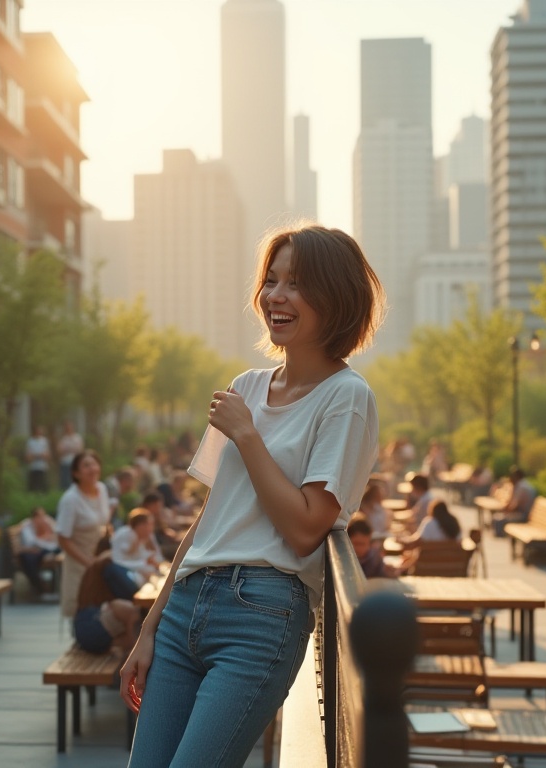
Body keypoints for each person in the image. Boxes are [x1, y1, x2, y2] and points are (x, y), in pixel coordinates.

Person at [121, 224, 384, 767]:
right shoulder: (245, 387)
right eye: (271, 280)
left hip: (261, 614)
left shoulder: (347, 397)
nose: (275, 296)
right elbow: (209, 519)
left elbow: (308, 527)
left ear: (336, 297)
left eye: (296, 283)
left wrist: (247, 434)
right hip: (185, 608)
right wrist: (149, 627)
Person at [55, 449, 112, 618]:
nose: (92, 468)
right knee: (80, 610)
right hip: (79, 563)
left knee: (100, 609)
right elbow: (62, 538)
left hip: (99, 561)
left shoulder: (101, 489)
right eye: (86, 465)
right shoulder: (70, 499)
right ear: (76, 473)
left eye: (94, 463)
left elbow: (104, 522)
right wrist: (88, 562)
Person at [74, 552, 143, 656]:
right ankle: (135, 653)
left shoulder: (98, 568)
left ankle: (133, 649)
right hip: (93, 634)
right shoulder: (109, 567)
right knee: (135, 615)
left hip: (85, 637)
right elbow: (130, 592)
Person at [110, 508, 164, 587]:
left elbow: (157, 556)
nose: (151, 528)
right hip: (126, 572)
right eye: (149, 524)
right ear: (140, 525)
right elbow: (119, 562)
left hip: (143, 571)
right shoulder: (124, 535)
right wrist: (145, 563)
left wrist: (153, 563)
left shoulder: (148, 536)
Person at [15, 507, 62, 596]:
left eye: (44, 515)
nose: (43, 518)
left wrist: (49, 527)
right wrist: (45, 537)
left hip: (42, 550)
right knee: (29, 561)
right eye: (41, 516)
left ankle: (46, 588)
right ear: (34, 517)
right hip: (32, 551)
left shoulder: (47, 523)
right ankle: (41, 588)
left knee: (60, 551)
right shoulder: (27, 526)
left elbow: (57, 534)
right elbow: (32, 543)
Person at [347, 514, 395, 579]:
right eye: (356, 544)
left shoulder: (375, 557)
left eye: (363, 544)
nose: (359, 548)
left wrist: (390, 572)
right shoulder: (345, 559)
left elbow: (382, 575)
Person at [56, 420, 84, 490]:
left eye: (70, 427)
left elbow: (80, 449)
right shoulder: (63, 439)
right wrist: (71, 448)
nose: (68, 429)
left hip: (75, 462)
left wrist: (67, 449)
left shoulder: (77, 438)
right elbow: (59, 450)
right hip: (65, 462)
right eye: (67, 427)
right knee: (65, 480)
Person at [25, 425, 52, 492]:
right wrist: (39, 455)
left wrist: (36, 456)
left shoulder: (44, 441)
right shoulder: (30, 441)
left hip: (42, 467)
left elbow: (47, 455)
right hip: (33, 467)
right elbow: (28, 456)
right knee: (33, 486)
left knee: (42, 486)